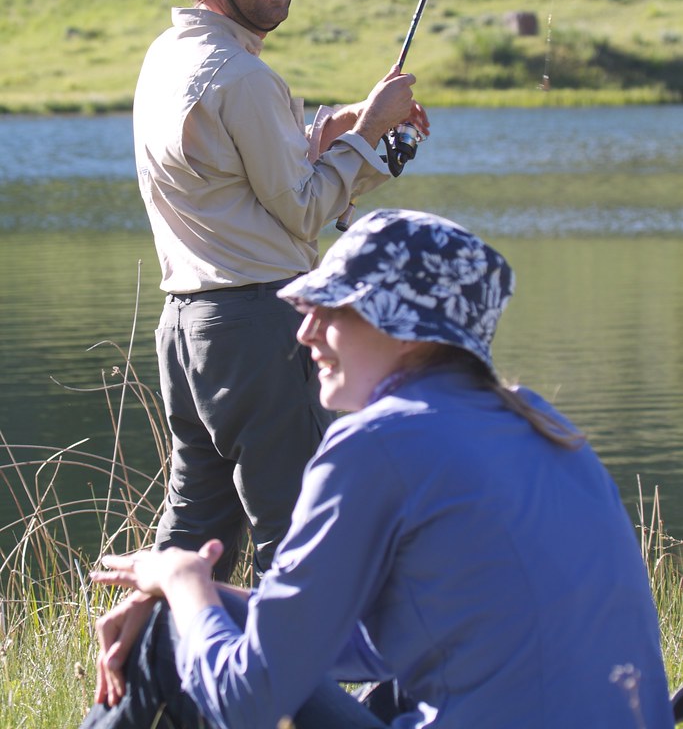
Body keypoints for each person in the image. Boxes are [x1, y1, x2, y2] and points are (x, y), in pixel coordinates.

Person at [83, 209, 674, 729]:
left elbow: (247, 703)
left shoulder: (377, 443)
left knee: (169, 633)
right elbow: (392, 642)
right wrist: (207, 596)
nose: (305, 331)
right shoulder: (540, 425)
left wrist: (182, 584)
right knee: (190, 616)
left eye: (332, 308)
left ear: (407, 330)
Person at [134, 0, 429, 580]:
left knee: (195, 528)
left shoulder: (168, 55)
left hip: (187, 328)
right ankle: (294, 655)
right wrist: (370, 131)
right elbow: (302, 211)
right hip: (257, 324)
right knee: (295, 530)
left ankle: (147, 651)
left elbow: (231, 178)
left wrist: (326, 137)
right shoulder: (243, 76)